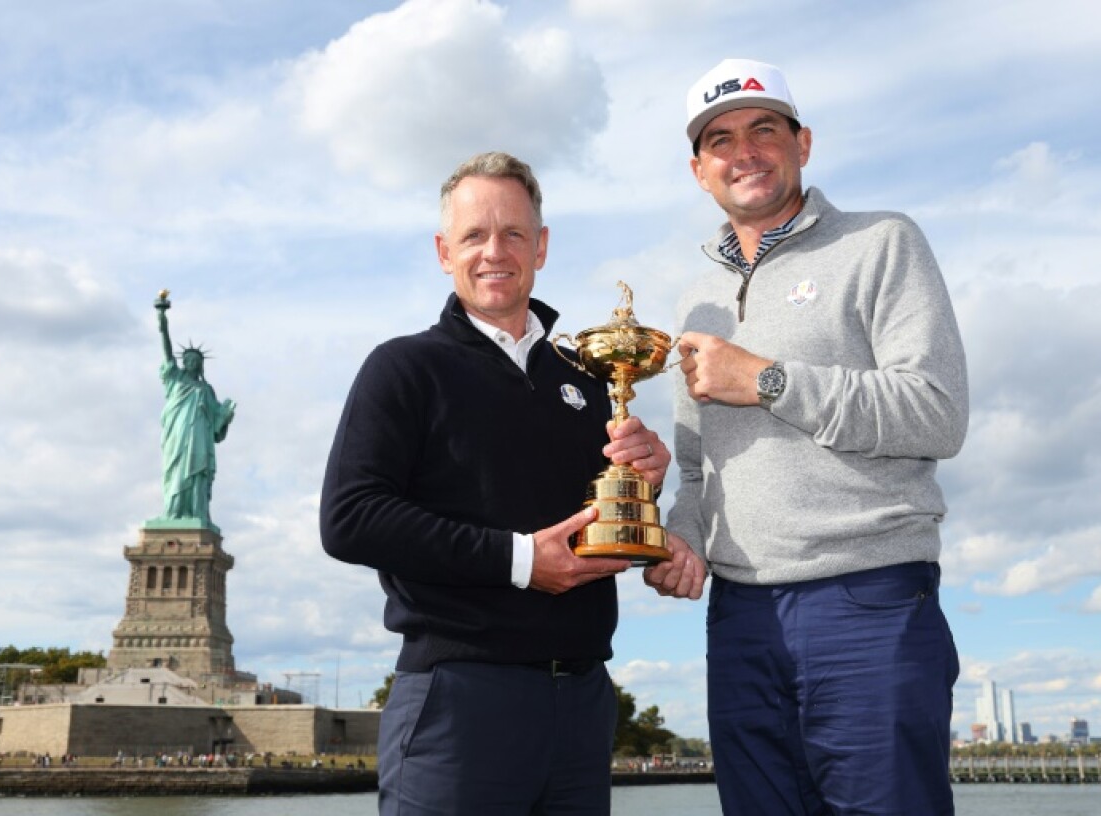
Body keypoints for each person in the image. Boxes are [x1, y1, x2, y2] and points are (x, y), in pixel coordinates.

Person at [645, 59, 969, 815]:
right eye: (720, 140)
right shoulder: (698, 300)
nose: (744, 151)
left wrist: (767, 380)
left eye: (765, 129)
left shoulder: (884, 242)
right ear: (699, 171)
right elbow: (699, 472)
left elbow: (936, 412)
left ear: (804, 143)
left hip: (867, 600)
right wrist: (679, 538)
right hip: (740, 617)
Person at [320, 151, 671, 815]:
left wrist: (647, 482)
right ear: (443, 251)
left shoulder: (591, 380)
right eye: (474, 235)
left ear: (540, 247)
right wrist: (522, 561)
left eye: (513, 233)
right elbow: (350, 518)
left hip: (585, 700)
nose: (494, 252)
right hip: (459, 699)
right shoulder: (404, 368)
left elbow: (593, 527)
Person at [153, 293, 236, 528]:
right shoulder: (175, 379)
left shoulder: (206, 389)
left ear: (200, 365)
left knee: (198, 473)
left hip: (199, 438)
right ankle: (173, 513)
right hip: (178, 436)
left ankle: (197, 512)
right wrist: (162, 321)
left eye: (195, 360)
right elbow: (167, 351)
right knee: (176, 471)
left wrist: (226, 415)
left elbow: (217, 423)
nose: (190, 363)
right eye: (187, 359)